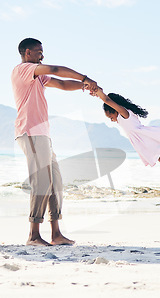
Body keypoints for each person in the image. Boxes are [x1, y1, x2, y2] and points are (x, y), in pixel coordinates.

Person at [11, 38, 98, 246]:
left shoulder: (38, 78)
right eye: (39, 52)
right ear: (28, 53)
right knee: (41, 182)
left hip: (43, 135)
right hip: (29, 132)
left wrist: (84, 86)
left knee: (55, 183)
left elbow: (61, 83)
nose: (42, 55)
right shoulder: (22, 69)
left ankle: (56, 234)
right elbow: (57, 69)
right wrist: (85, 77)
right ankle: (33, 235)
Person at [94, 88, 160, 195]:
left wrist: (97, 91)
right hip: (147, 141)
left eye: (110, 116)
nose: (111, 119)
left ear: (114, 109)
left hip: (149, 139)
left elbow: (107, 100)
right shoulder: (124, 116)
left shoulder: (124, 113)